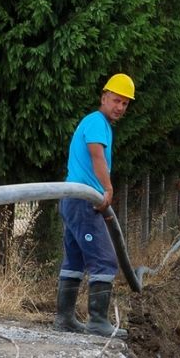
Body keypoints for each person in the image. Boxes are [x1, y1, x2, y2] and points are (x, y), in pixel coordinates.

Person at [55, 73, 135, 337]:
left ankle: (65, 319)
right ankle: (98, 321)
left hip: (74, 199)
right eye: (116, 100)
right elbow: (96, 154)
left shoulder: (96, 122)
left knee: (75, 258)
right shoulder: (97, 122)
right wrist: (108, 189)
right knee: (104, 259)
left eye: (125, 103)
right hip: (82, 200)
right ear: (104, 98)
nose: (120, 107)